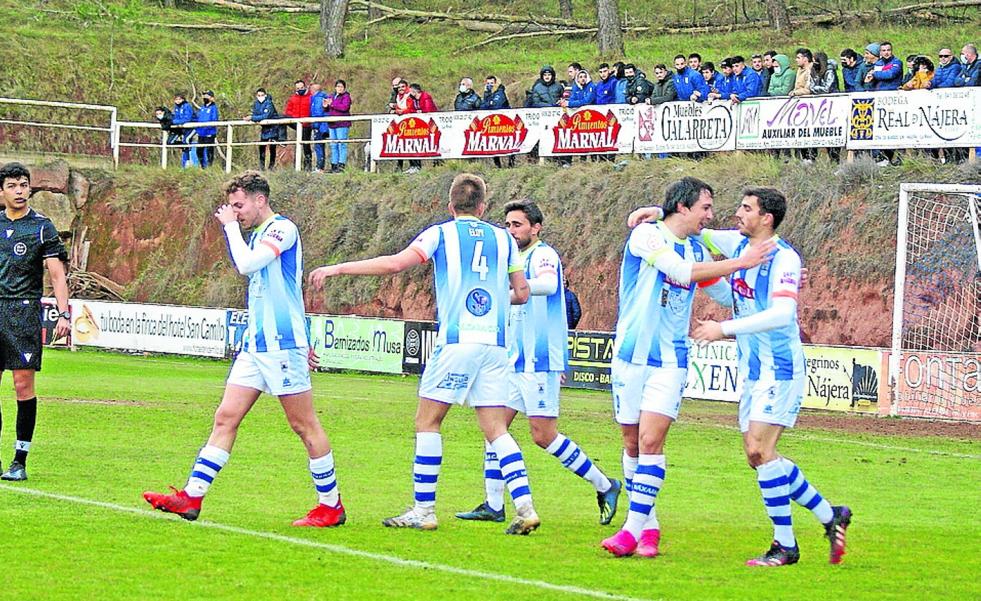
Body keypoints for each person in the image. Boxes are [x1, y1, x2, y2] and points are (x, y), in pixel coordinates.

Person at [308, 173, 542, 535]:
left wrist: (338, 268)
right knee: (496, 428)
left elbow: (395, 264)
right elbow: (523, 293)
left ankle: (424, 509)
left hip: (457, 341)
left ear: (451, 206)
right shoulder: (503, 238)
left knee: (427, 422)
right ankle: (525, 507)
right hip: (495, 344)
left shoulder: (441, 233)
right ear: (483, 207)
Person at [143, 171, 346, 528]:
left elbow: (247, 265)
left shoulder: (283, 229)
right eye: (232, 208)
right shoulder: (258, 235)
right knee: (226, 417)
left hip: (281, 344)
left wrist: (229, 228)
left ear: (260, 200)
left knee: (303, 424)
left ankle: (331, 506)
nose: (236, 213)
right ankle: (191, 498)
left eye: (239, 206)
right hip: (256, 345)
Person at [600, 177, 775, 558]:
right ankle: (650, 525)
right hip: (631, 355)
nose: (710, 216)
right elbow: (679, 271)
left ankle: (631, 531)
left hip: (670, 360)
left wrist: (772, 294)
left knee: (651, 441)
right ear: (683, 207)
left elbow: (729, 292)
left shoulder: (696, 246)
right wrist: (739, 262)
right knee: (631, 443)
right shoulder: (646, 236)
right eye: (705, 208)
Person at [683, 188, 853, 567]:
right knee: (756, 456)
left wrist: (722, 329)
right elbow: (694, 229)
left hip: (780, 367)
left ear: (766, 219)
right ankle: (831, 515)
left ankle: (785, 546)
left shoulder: (785, 258)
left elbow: (781, 314)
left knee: (761, 451)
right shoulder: (738, 245)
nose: (737, 214)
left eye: (746, 209)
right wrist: (653, 212)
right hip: (754, 369)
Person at [455, 200, 622, 526]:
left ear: (536, 228)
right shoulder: (511, 259)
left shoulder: (543, 254)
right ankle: (493, 504)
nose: (511, 230)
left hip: (540, 359)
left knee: (543, 435)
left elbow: (547, 284)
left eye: (518, 225)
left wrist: (512, 287)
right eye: (508, 224)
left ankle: (606, 484)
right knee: (494, 427)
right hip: (515, 360)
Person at [0, 163, 70, 481]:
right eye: (12, 185)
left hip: (24, 312)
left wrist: (64, 313)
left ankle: (19, 460)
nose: (19, 191)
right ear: (2, 191)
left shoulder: (42, 226)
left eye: (23, 185)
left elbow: (56, 274)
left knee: (22, 385)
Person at [247, 88, 281, 171]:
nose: (260, 97)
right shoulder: (256, 104)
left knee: (272, 147)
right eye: (258, 95)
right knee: (262, 147)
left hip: (273, 127)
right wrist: (253, 117)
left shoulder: (269, 104)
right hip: (265, 129)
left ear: (265, 95)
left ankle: (271, 167)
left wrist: (252, 118)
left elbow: (266, 116)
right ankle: (262, 167)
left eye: (262, 95)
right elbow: (255, 113)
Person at [284, 80, 314, 171]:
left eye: (301, 88)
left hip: (307, 125)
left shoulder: (310, 97)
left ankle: (307, 166)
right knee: (282, 118)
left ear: (305, 87)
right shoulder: (293, 98)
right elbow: (288, 111)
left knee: (306, 145)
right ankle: (282, 138)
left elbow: (313, 110)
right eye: (297, 88)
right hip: (296, 123)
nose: (300, 89)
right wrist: (293, 117)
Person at [326, 80, 352, 173]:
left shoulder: (346, 97)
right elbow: (327, 109)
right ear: (335, 87)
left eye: (341, 87)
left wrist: (332, 104)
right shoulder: (331, 96)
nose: (339, 88)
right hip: (332, 124)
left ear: (344, 88)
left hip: (342, 123)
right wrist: (325, 105)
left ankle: (341, 165)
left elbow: (344, 107)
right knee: (333, 145)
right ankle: (334, 165)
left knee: (342, 144)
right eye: (338, 86)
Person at [194, 90, 219, 169]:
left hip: (209, 132)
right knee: (199, 150)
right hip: (201, 133)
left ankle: (210, 167)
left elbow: (214, 119)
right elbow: (199, 118)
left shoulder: (213, 108)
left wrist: (208, 128)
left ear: (212, 98)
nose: (205, 97)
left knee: (209, 150)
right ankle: (202, 166)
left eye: (207, 96)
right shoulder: (202, 108)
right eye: (204, 96)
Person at [171, 93, 196, 168]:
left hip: (192, 127)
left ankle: (189, 162)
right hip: (183, 128)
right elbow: (176, 117)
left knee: (187, 141)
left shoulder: (187, 106)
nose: (178, 101)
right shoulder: (176, 107)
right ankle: (185, 162)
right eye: (176, 99)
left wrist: (175, 122)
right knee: (171, 142)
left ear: (183, 99)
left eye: (179, 99)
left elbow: (187, 118)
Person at [309, 83, 330, 172]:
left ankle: (319, 166)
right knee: (320, 146)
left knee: (319, 146)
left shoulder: (317, 99)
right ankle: (320, 166)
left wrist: (314, 125)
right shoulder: (323, 97)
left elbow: (317, 113)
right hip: (323, 125)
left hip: (320, 125)